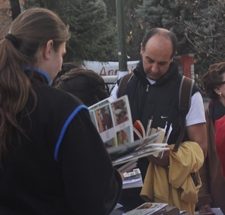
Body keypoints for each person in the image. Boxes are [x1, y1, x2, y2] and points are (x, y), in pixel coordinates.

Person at [0, 7, 121, 215]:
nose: (61, 63)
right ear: (48, 48)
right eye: (62, 53)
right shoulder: (64, 110)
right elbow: (93, 200)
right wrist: (114, 177)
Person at [111, 28, 207, 213]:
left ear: (172, 58)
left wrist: (171, 158)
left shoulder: (187, 91)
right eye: (150, 60)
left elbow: (201, 147)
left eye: (162, 63)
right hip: (124, 193)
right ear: (141, 50)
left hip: (170, 195)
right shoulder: (122, 86)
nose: (154, 69)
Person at [200, 62, 225, 214]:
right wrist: (203, 198)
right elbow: (201, 160)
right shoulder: (209, 117)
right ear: (217, 89)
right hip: (220, 193)